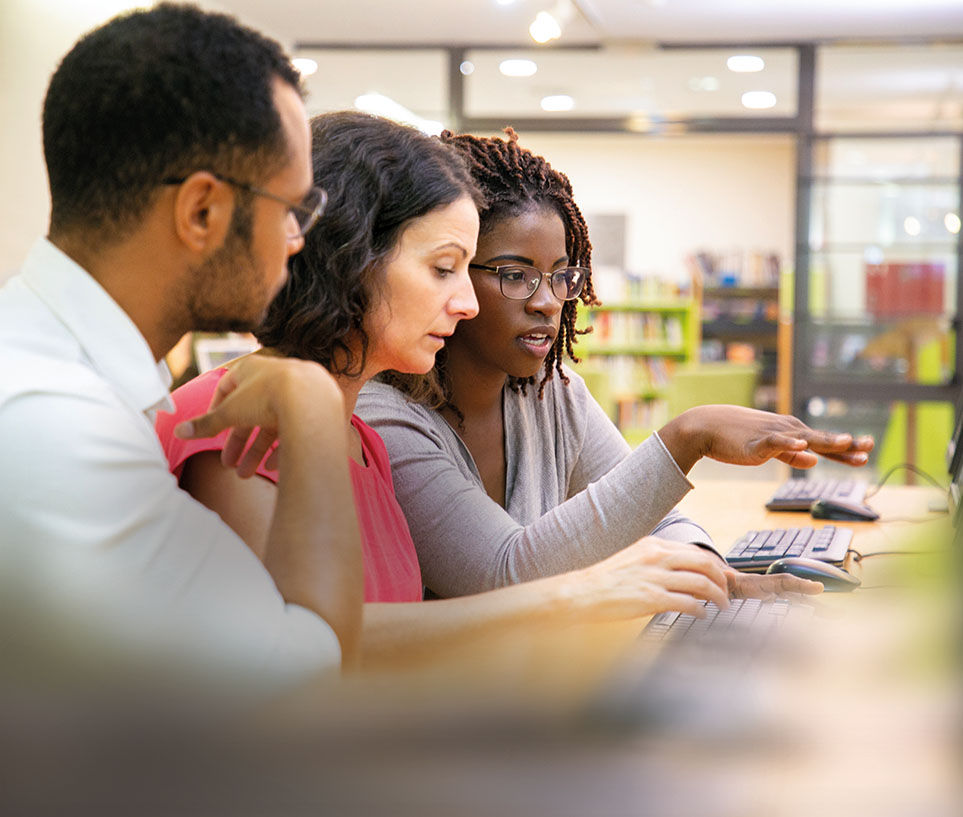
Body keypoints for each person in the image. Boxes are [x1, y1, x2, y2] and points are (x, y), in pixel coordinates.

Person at [157, 112, 811, 666]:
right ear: (349, 257)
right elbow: (310, 656)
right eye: (445, 268)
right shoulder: (234, 420)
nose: (467, 301)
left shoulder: (359, 440)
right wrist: (582, 594)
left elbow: (385, 644)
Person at [0, 4, 363, 681]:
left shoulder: (45, 363)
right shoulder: (57, 423)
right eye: (292, 209)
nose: (297, 240)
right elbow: (306, 674)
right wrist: (311, 400)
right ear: (202, 211)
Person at [357, 128, 874, 598]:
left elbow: (660, 522)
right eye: (517, 275)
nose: (547, 302)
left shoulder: (552, 394)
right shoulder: (383, 417)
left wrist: (721, 580)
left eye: (563, 275)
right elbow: (501, 574)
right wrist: (686, 437)